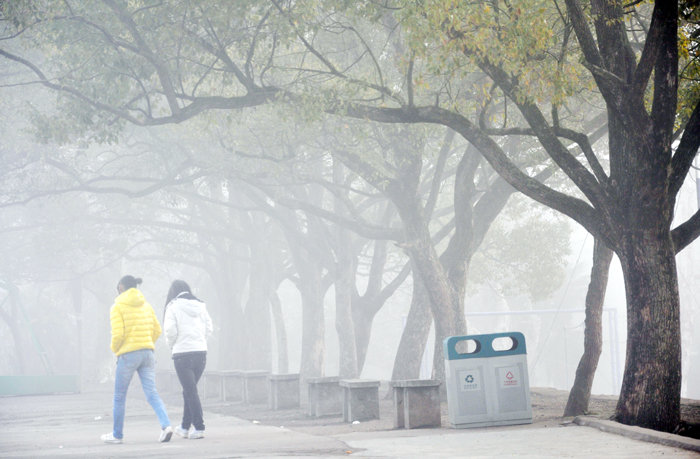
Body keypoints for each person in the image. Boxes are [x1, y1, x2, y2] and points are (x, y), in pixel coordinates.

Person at [101, 275, 173, 444]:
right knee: (152, 393)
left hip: (128, 354)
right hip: (147, 353)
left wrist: (115, 350)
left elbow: (118, 334)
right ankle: (166, 426)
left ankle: (117, 435)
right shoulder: (146, 305)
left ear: (120, 287)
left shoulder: (117, 306)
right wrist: (147, 343)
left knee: (119, 396)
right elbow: (157, 330)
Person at [163, 280, 213, 440]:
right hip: (200, 353)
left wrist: (172, 345)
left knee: (190, 391)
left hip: (182, 354)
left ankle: (199, 427)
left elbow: (170, 330)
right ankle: (184, 427)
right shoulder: (201, 305)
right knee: (189, 390)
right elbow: (209, 327)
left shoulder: (172, 306)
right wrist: (201, 341)